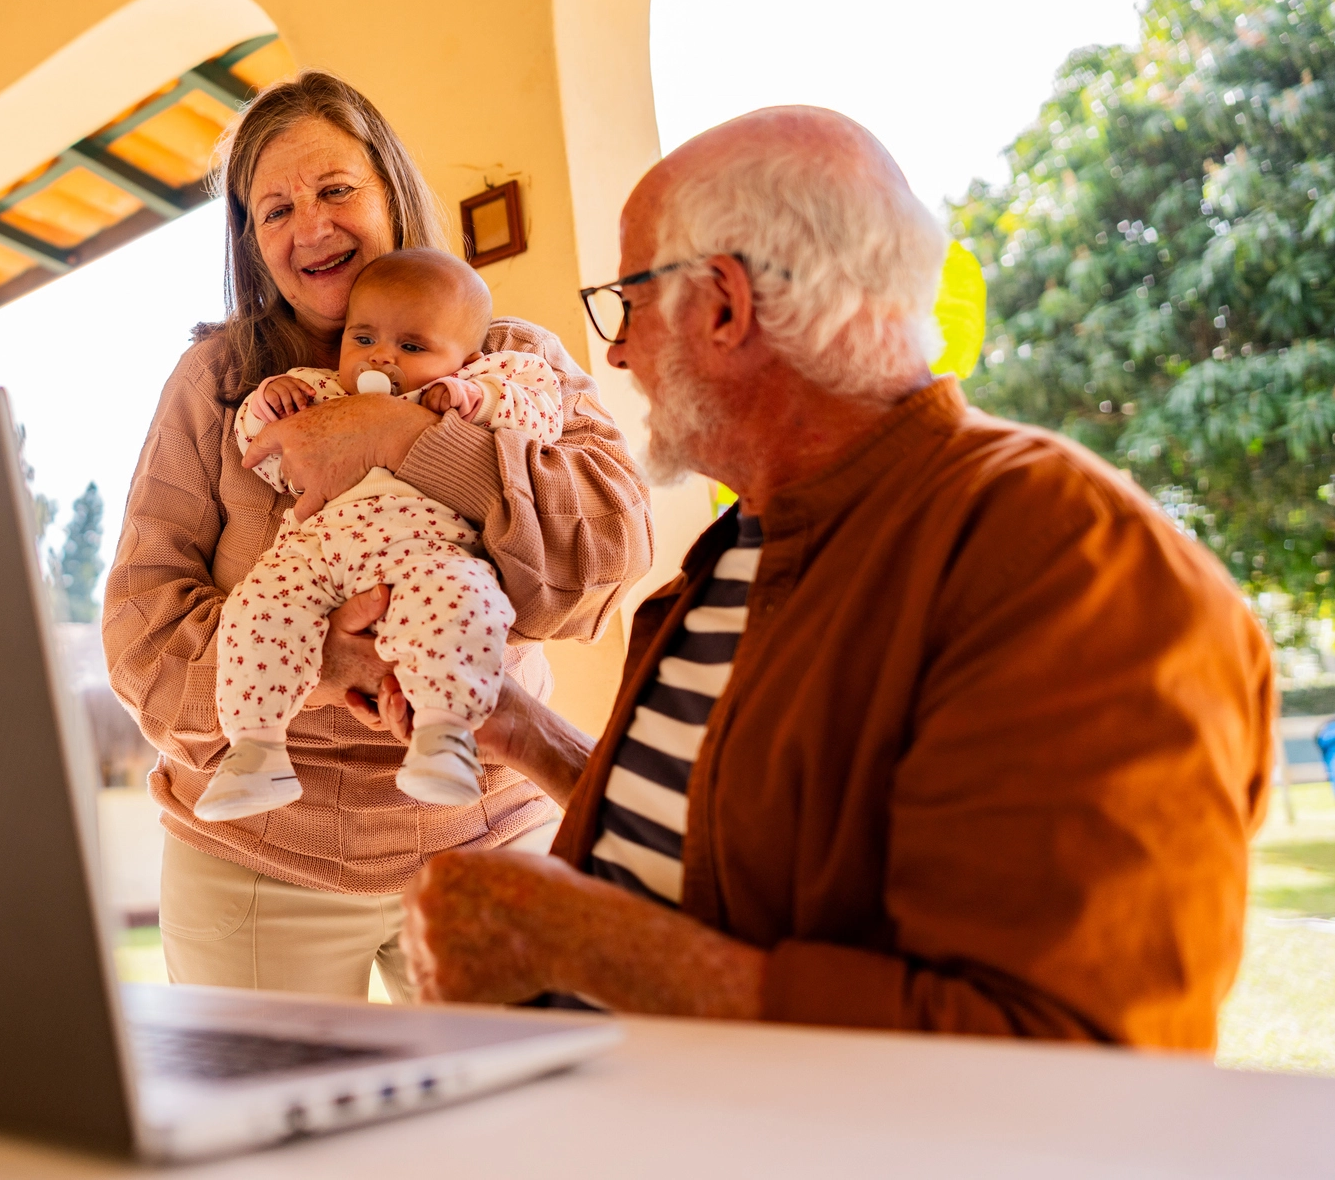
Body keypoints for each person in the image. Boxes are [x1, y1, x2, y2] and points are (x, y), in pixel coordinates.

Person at [397, 106, 1274, 1048]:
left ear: (723, 304)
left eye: (628, 302)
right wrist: (519, 730)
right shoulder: (749, 545)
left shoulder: (1068, 562)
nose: (615, 351)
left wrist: (581, 944)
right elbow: (740, 859)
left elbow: (1068, 1057)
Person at [103, 71, 651, 1002]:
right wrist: (321, 659)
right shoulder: (220, 383)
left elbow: (606, 557)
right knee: (270, 1106)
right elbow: (138, 636)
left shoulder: (510, 361)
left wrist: (408, 437)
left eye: (334, 190)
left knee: (525, 1101)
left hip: (486, 830)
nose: (309, 227)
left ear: (391, 191)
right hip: (255, 852)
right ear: (250, 241)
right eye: (274, 209)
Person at [201, 249, 564, 820]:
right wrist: (269, 403)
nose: (381, 357)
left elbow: (542, 414)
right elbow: (265, 455)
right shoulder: (320, 393)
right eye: (363, 339)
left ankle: (445, 738)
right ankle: (255, 748)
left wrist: (481, 399)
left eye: (412, 347)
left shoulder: (467, 391)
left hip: (426, 551)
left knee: (462, 602)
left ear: (466, 360)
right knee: (255, 608)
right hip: (317, 550)